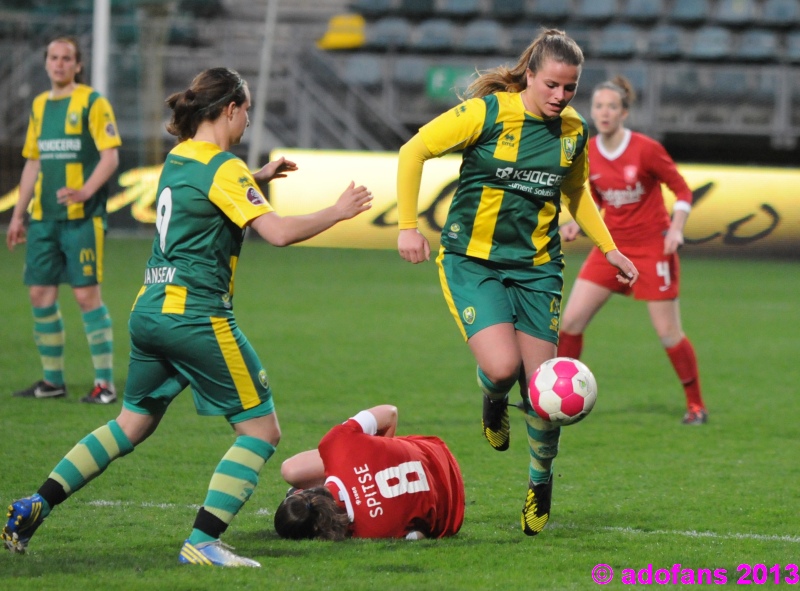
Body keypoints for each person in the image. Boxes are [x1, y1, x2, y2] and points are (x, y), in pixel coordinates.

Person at [2, 67, 373, 567]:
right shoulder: (226, 168)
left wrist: (255, 181)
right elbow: (279, 233)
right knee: (262, 431)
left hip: (149, 310)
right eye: (248, 111)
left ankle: (34, 503)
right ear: (229, 109)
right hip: (196, 316)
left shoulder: (179, 158)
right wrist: (339, 209)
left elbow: (201, 202)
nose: (248, 121)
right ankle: (202, 542)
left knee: (130, 424)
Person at [395, 29, 639, 536]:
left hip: (536, 267)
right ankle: (492, 396)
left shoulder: (572, 132)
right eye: (552, 84)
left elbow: (577, 195)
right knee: (503, 367)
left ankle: (540, 483)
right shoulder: (486, 114)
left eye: (570, 88)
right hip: (472, 260)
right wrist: (406, 226)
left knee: (544, 387)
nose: (560, 97)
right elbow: (412, 152)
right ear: (530, 74)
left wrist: (609, 247)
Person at [558, 75, 707, 425]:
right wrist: (577, 223)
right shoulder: (589, 151)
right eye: (598, 106)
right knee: (571, 322)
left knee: (668, 333)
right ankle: (563, 404)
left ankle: (696, 405)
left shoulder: (646, 149)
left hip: (653, 248)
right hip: (612, 248)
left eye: (612, 106)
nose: (604, 112)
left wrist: (676, 229)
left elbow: (683, 191)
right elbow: (593, 197)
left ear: (624, 112)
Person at [7, 36, 122, 404]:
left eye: (66, 58)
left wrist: (86, 191)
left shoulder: (92, 102)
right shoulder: (40, 105)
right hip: (44, 219)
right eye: (53, 57)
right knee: (40, 293)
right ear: (46, 63)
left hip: (82, 219)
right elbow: (33, 161)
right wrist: (17, 214)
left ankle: (104, 383)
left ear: (78, 65)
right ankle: (52, 381)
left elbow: (110, 157)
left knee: (87, 296)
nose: (59, 63)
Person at [274, 404, 465, 540]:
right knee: (292, 469)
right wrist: (383, 453)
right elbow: (390, 412)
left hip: (453, 510)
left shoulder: (368, 531)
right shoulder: (336, 444)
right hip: (436, 451)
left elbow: (420, 533)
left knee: (413, 534)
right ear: (303, 492)